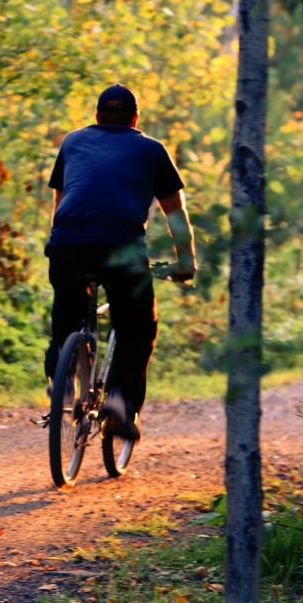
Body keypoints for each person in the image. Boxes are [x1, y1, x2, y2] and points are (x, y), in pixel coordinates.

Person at [45, 84, 196, 441]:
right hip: (121, 250)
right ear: (135, 119)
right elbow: (175, 212)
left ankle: (61, 381)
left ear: (96, 117)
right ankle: (120, 403)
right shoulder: (151, 149)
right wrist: (185, 262)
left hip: (67, 244)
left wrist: (65, 245)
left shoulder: (72, 142)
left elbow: (60, 205)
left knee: (67, 312)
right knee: (137, 327)